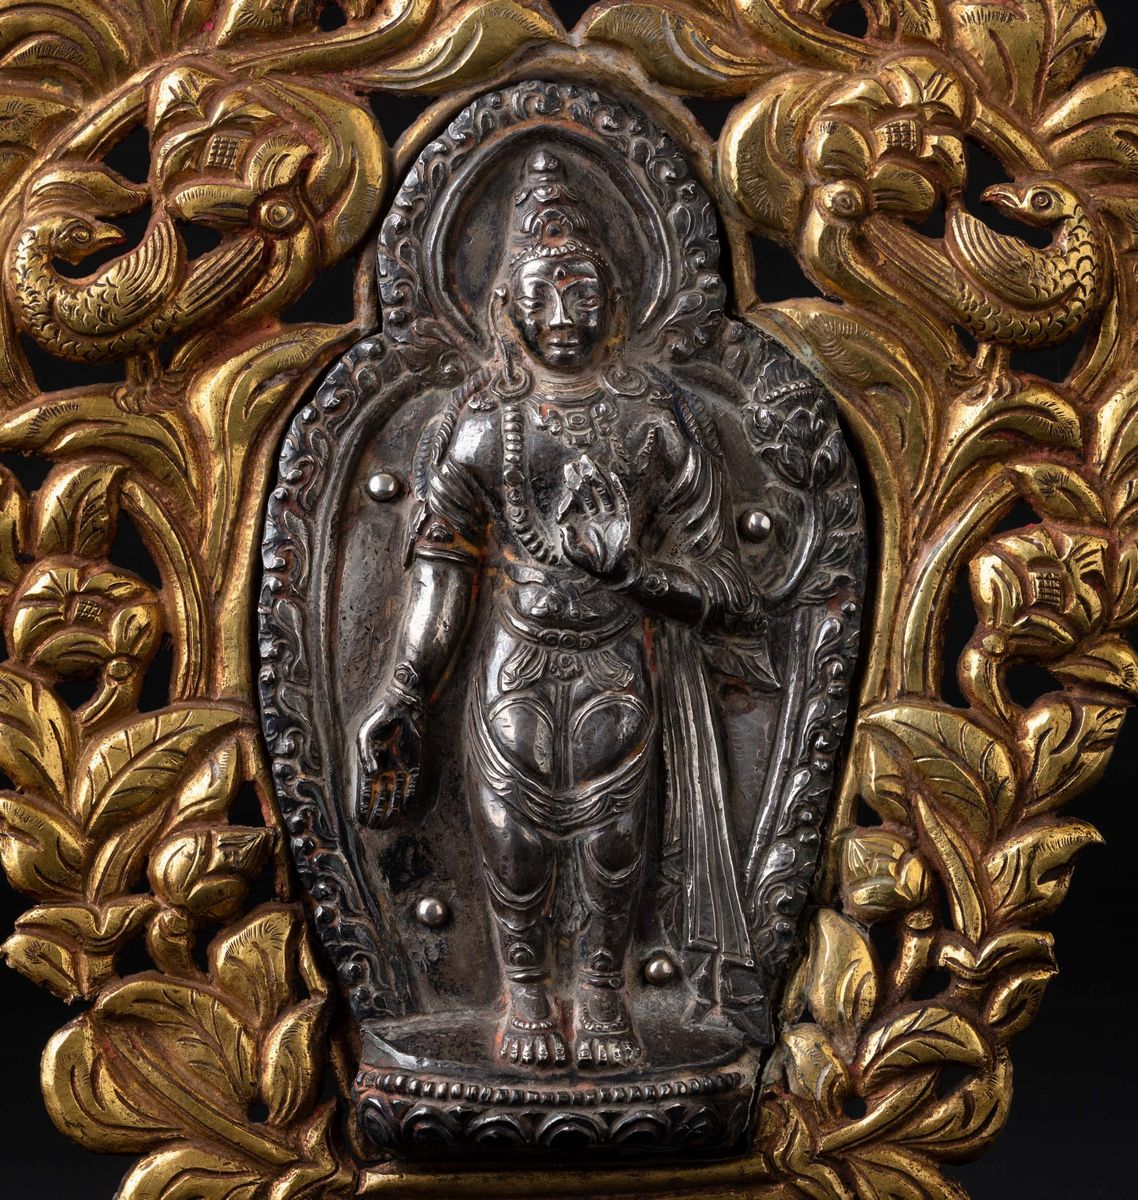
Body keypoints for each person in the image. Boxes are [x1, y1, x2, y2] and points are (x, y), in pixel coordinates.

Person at [357, 148, 765, 1072]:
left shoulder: (655, 420)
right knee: (514, 839)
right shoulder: (478, 427)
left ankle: (603, 994)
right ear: (508, 302)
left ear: (614, 299)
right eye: (543, 290)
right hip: (517, 657)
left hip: (618, 658)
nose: (564, 312)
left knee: (615, 841)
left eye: (582, 289)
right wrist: (407, 689)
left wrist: (639, 575)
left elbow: (727, 584)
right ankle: (529, 996)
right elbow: (442, 573)